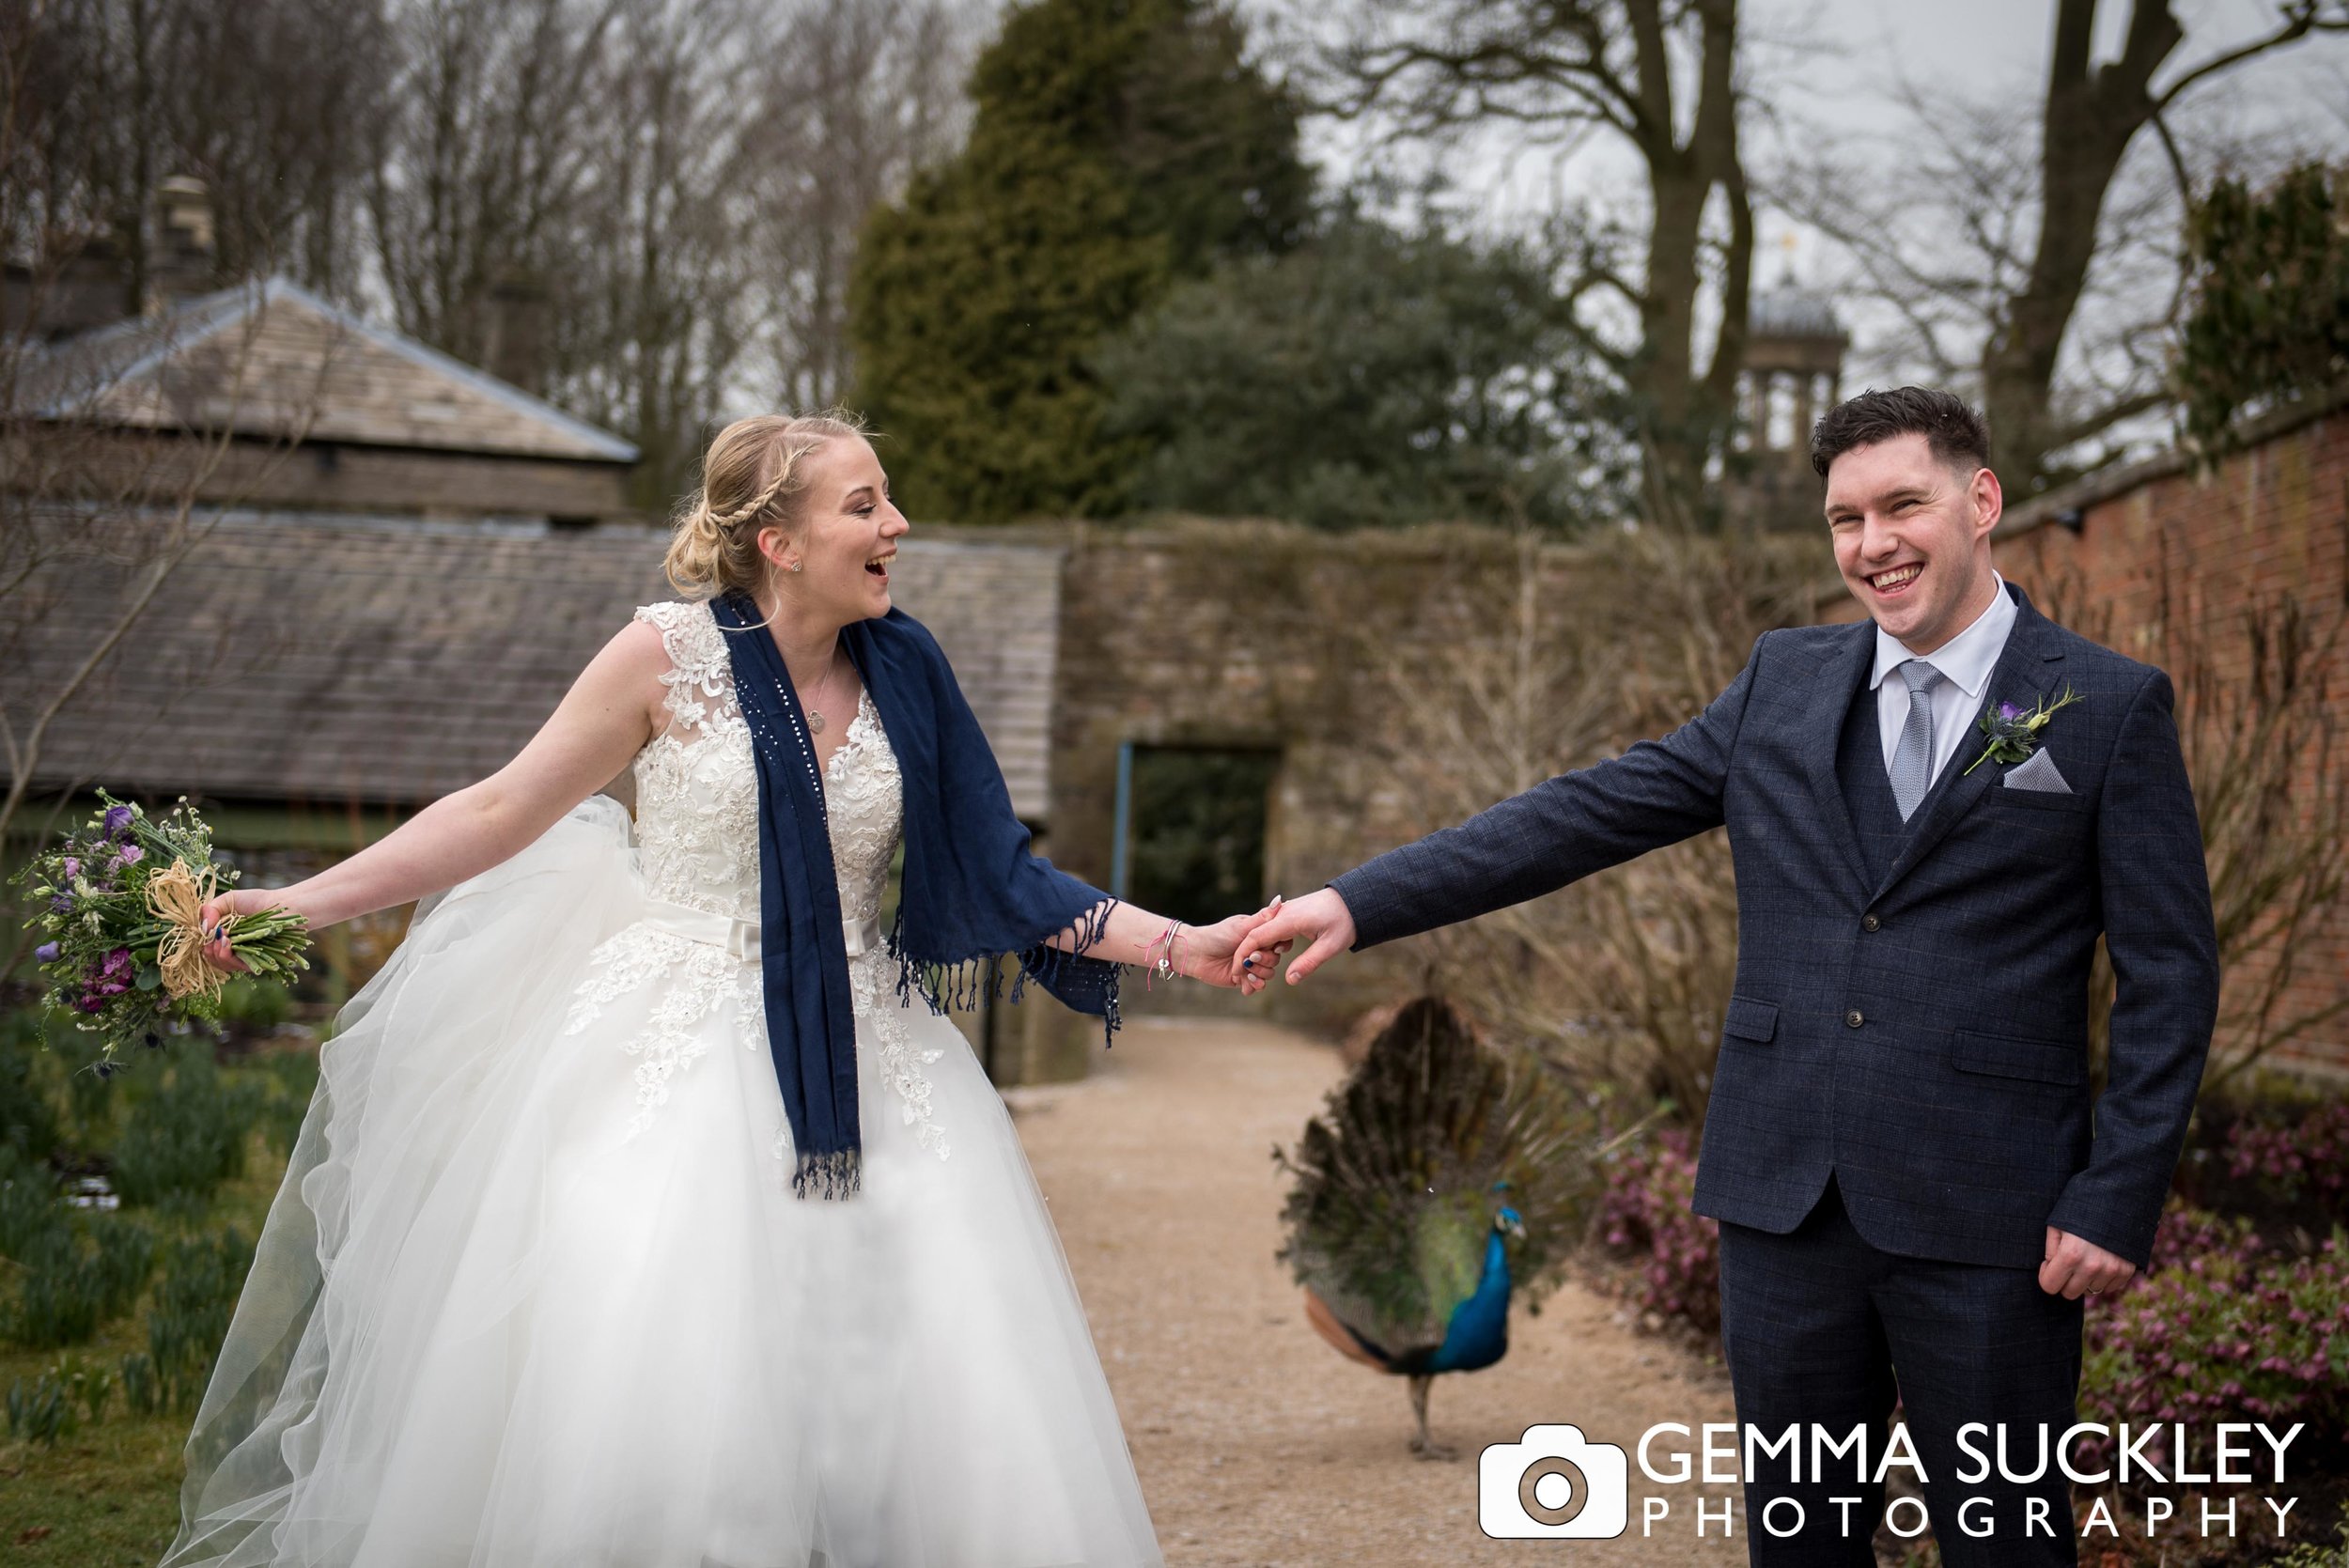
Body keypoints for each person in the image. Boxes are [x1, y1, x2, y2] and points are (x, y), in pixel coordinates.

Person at [169, 411, 1274, 1567]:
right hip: (670, 1054)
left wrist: (1178, 943)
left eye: (885, 500)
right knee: (663, 1386)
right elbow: (498, 813)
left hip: (875, 1059)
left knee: (928, 1387)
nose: (896, 524)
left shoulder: (908, 670)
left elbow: (1005, 871)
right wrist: (293, 904)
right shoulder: (663, 657)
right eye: (864, 506)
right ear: (776, 542)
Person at [1237, 388, 2218, 1566]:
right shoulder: (1782, 682)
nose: (1873, 544)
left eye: (1902, 504)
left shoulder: (2105, 705)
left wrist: (2115, 1193)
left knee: (2004, 1543)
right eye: (1844, 519)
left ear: (1981, 501)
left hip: (1993, 1215)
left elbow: (2170, 972)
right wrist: (1359, 898)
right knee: (1796, 1544)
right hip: (1781, 1202)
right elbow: (1581, 813)